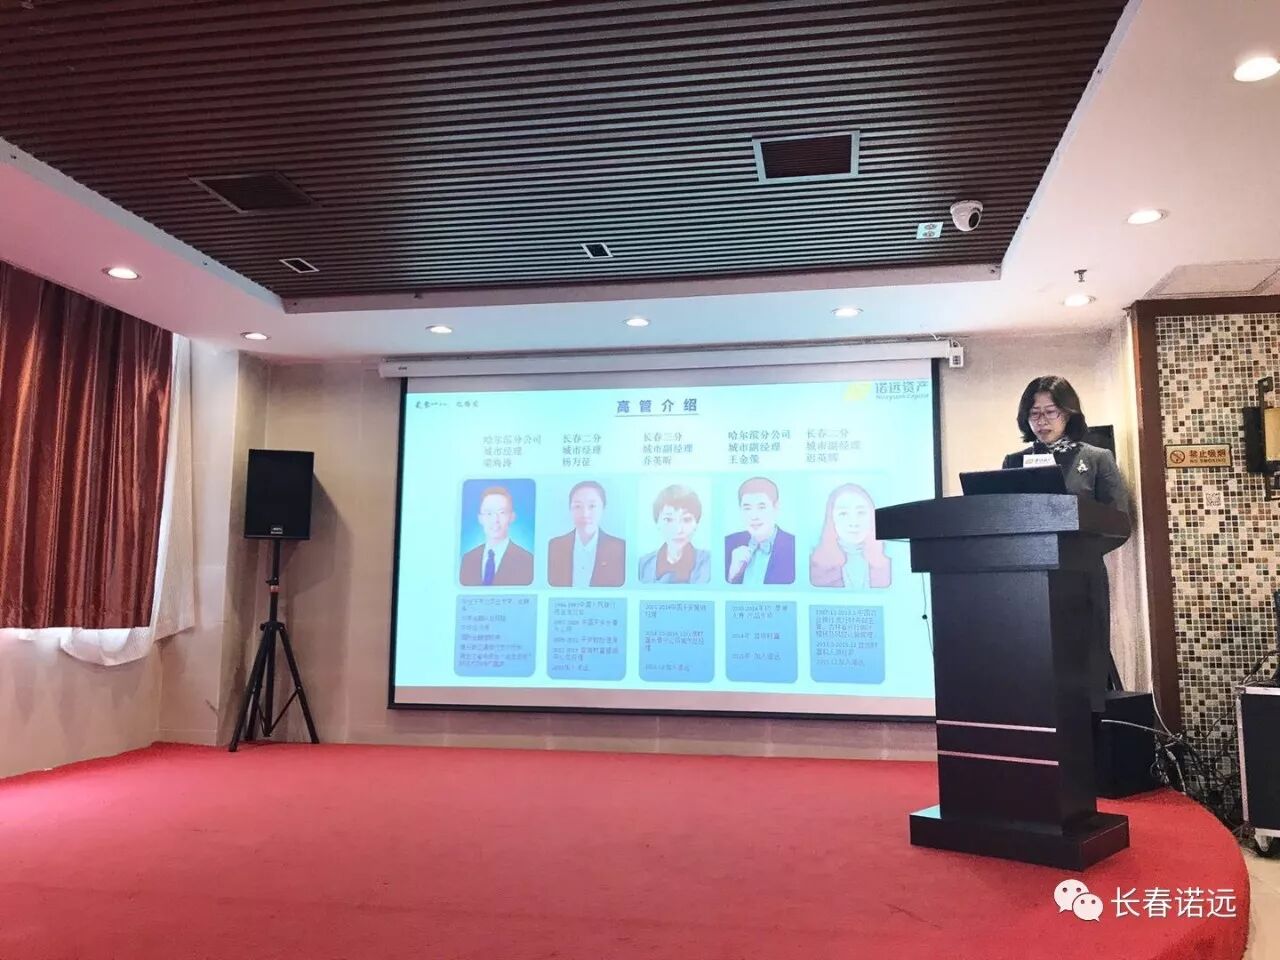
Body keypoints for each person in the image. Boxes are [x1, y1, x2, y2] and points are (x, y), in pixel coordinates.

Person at [1002, 375, 1129, 702]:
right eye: (1034, 414)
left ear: (1069, 413)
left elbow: (1119, 523)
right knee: (1032, 663)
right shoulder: (1013, 462)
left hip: (1081, 574)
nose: (1041, 422)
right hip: (1028, 577)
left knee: (1083, 665)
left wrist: (1078, 551)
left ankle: (1087, 726)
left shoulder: (1097, 458)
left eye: (1050, 412)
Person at [809, 483, 892, 589]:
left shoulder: (889, 566)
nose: (853, 523)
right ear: (832, 519)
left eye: (861, 513)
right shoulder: (815, 567)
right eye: (843, 514)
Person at [546, 480, 626, 587]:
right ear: (570, 509)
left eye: (592, 506)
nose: (585, 514)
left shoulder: (620, 549)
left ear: (603, 508)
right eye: (577, 506)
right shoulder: (554, 546)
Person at [724, 477, 796, 585]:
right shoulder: (727, 543)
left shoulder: (794, 546)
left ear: (776, 507)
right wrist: (731, 576)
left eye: (761, 507)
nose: (754, 516)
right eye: (747, 508)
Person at [459, 485, 534, 586]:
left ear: (512, 517)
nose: (495, 520)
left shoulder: (527, 561)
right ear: (480, 518)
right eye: (489, 513)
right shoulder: (468, 559)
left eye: (502, 512)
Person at [637, 484, 711, 584]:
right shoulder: (643, 565)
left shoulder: (710, 563)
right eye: (668, 520)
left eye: (686, 519)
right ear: (657, 523)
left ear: (696, 524)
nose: (678, 530)